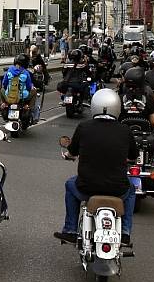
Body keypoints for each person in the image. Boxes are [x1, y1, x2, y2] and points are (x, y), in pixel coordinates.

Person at [54, 89, 138, 247]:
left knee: (70, 184)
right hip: (117, 189)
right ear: (117, 107)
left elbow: (72, 151)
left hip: (87, 188)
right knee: (132, 189)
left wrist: (70, 154)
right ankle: (125, 232)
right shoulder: (125, 130)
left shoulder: (83, 127)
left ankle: (70, 230)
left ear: (94, 106)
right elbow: (133, 156)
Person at [1, 54, 39, 121]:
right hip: (22, 97)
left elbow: (4, 84)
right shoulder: (26, 73)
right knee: (34, 92)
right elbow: (29, 86)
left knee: (2, 90)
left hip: (9, 96)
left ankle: (3, 103)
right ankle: (29, 106)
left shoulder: (9, 71)